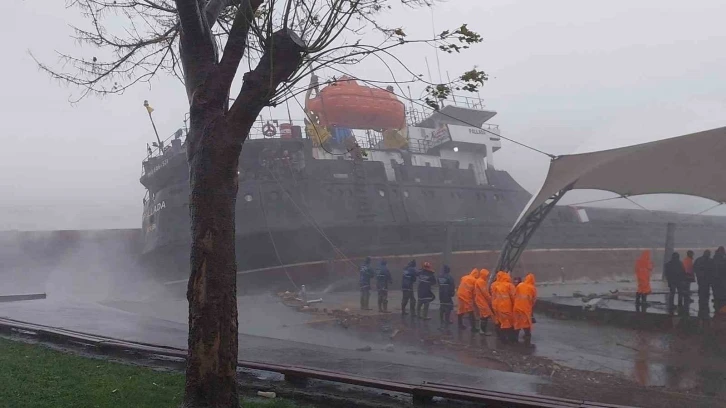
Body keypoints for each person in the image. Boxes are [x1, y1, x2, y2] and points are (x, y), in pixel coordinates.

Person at [490, 271, 516, 342]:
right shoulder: (509, 286)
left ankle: (501, 337)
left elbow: (493, 297)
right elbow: (513, 297)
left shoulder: (496, 285)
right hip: (506, 307)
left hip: (497, 306)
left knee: (499, 321)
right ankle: (506, 339)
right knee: (507, 323)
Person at [513, 273, 537, 345]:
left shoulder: (520, 285)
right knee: (526, 324)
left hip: (516, 307)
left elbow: (515, 295)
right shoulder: (532, 288)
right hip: (525, 308)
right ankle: (527, 340)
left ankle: (514, 340)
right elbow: (533, 300)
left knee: (517, 323)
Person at [694, 249, 713, 319]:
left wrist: (698, 274)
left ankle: (701, 301)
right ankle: (705, 303)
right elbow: (713, 269)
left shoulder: (698, 260)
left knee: (701, 290)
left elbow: (694, 268)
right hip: (707, 279)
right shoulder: (710, 261)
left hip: (701, 279)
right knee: (706, 291)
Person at [474, 269, 494, 335]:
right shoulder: (481, 282)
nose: (487, 277)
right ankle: (483, 330)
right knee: (485, 315)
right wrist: (490, 299)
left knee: (483, 315)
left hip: (480, 300)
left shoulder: (479, 281)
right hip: (481, 301)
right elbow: (485, 293)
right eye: (486, 275)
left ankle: (481, 330)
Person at [437, 265, 455, 330]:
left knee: (442, 306)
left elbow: (438, 284)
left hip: (441, 294)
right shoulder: (450, 277)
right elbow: (452, 286)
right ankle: (447, 320)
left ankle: (442, 321)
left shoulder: (439, 276)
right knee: (448, 306)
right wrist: (452, 293)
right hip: (447, 294)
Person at [712, 247, 726, 312]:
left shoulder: (714, 258)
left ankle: (717, 308)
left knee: (717, 295)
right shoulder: (721, 259)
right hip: (720, 280)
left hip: (715, 280)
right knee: (721, 296)